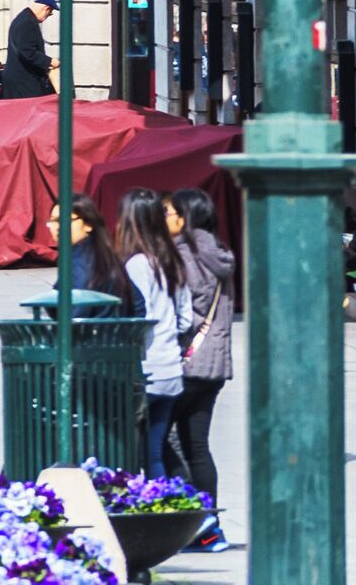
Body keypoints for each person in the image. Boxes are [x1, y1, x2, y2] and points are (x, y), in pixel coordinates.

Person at [163, 192, 238, 543]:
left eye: (169, 213)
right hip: (215, 361)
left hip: (188, 360)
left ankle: (196, 518)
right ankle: (210, 524)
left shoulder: (184, 255)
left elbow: (185, 314)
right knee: (197, 444)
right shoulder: (218, 252)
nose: (164, 218)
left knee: (161, 439)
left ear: (185, 218)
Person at [117, 189, 201, 488]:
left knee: (135, 454)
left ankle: (153, 512)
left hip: (146, 369)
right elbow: (186, 318)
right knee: (155, 452)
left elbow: (141, 318)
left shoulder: (136, 265)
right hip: (170, 368)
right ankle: (169, 506)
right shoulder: (172, 261)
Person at [0, 0, 58, 99]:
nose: (47, 17)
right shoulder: (27, 22)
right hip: (23, 82)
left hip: (18, 80)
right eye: (49, 14)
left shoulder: (23, 18)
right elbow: (27, 51)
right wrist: (50, 61)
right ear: (46, 8)